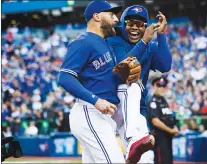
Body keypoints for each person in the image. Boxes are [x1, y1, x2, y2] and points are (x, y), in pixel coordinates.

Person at [58, 1, 126, 163]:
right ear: (96, 16)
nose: (116, 19)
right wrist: (95, 100)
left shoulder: (104, 42)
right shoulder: (83, 42)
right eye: (111, 15)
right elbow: (65, 77)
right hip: (90, 111)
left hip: (102, 115)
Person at [107, 5, 172, 163]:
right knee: (105, 155)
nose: (135, 28)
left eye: (140, 24)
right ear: (123, 23)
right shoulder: (114, 40)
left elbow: (165, 66)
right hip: (112, 104)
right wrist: (144, 41)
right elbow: (124, 69)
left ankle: (133, 142)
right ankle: (132, 139)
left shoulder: (149, 46)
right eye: (131, 23)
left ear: (146, 26)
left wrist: (161, 35)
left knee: (144, 157)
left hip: (135, 106)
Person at [147, 77, 179, 164]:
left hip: (168, 137)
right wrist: (171, 130)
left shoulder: (164, 101)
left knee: (168, 160)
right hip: (159, 137)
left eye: (163, 86)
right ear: (154, 86)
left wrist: (174, 128)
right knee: (161, 160)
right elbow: (155, 121)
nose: (161, 88)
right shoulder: (152, 101)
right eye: (159, 85)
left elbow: (169, 118)